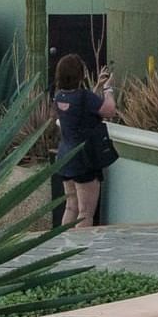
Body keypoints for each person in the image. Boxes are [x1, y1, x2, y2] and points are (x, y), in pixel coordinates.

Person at [53, 53, 115, 228]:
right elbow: (109, 110)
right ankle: (81, 252)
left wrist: (97, 87)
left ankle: (63, 246)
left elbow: (84, 105)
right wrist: (108, 90)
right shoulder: (84, 97)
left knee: (71, 207)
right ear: (80, 75)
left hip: (65, 158)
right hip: (84, 160)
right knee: (85, 213)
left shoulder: (60, 96)